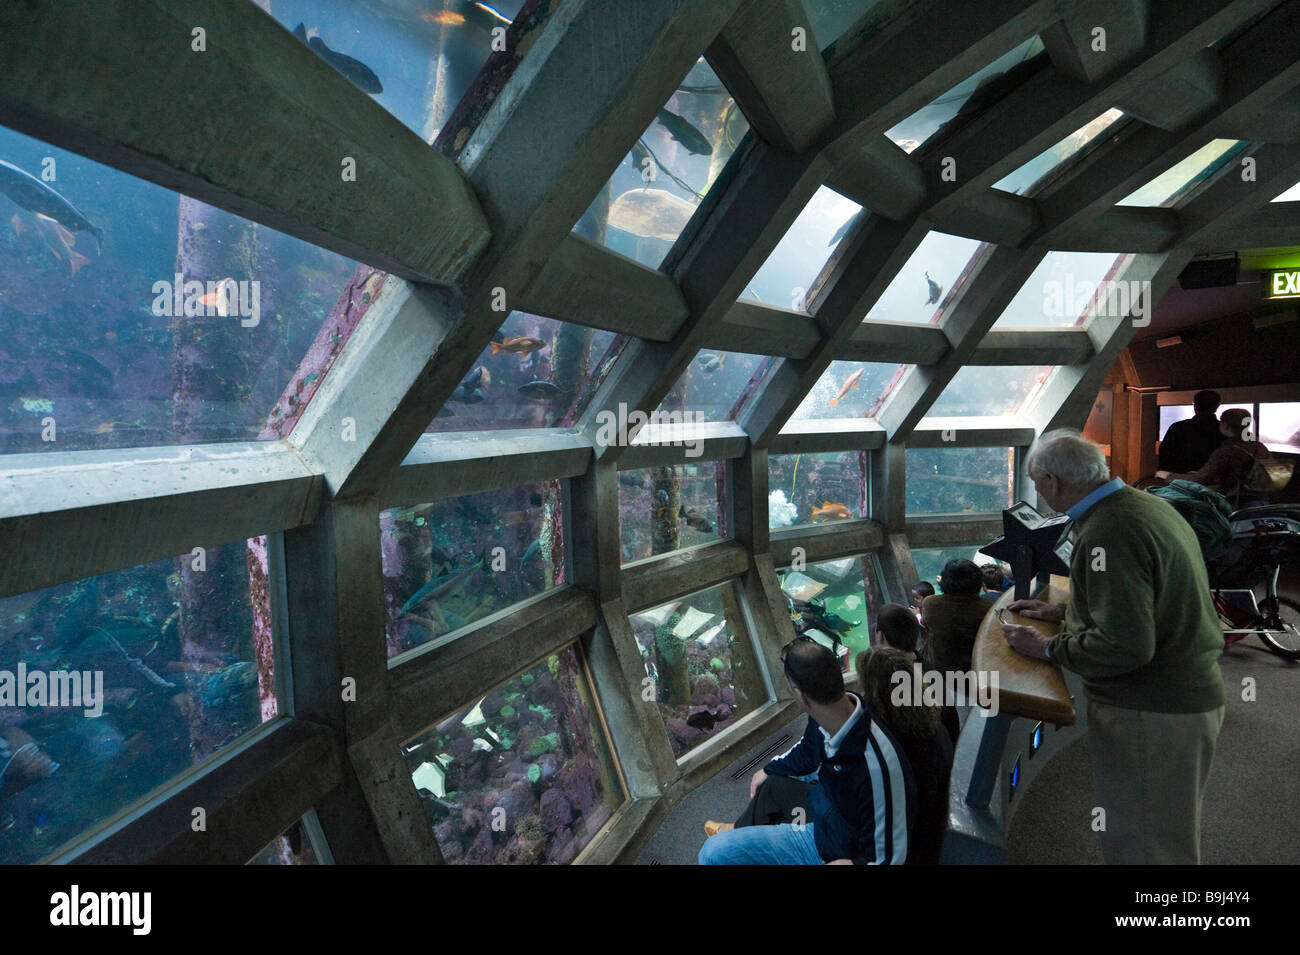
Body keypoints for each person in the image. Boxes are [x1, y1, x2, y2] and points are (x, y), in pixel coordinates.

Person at [1001, 429, 1225, 865]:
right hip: (1184, 697)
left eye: (1038, 484)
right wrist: (1068, 615)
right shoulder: (1147, 506)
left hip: (1152, 710)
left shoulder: (1108, 531)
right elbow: (1151, 603)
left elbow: (1126, 646)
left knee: (1142, 843)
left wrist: (1047, 649)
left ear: (1052, 482)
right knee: (1167, 833)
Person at [698, 636, 916, 865]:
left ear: (801, 695)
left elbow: (892, 858)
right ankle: (740, 830)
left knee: (714, 854)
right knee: (716, 848)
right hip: (825, 827)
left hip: (835, 852)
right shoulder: (829, 716)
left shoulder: (877, 767)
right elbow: (806, 752)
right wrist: (769, 769)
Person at [856, 647, 953, 865]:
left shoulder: (892, 754)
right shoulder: (934, 724)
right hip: (931, 838)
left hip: (913, 851)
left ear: (879, 704)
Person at [1158, 408, 1269, 505]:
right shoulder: (1259, 447)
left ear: (1225, 425)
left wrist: (1168, 475)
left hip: (1235, 504)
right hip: (1261, 502)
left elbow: (1200, 479)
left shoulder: (1228, 450)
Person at [1158, 390, 1223, 473]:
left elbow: (1165, 456)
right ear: (1217, 406)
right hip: (1215, 482)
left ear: (1195, 406)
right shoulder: (1223, 431)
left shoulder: (1178, 428)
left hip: (1180, 480)